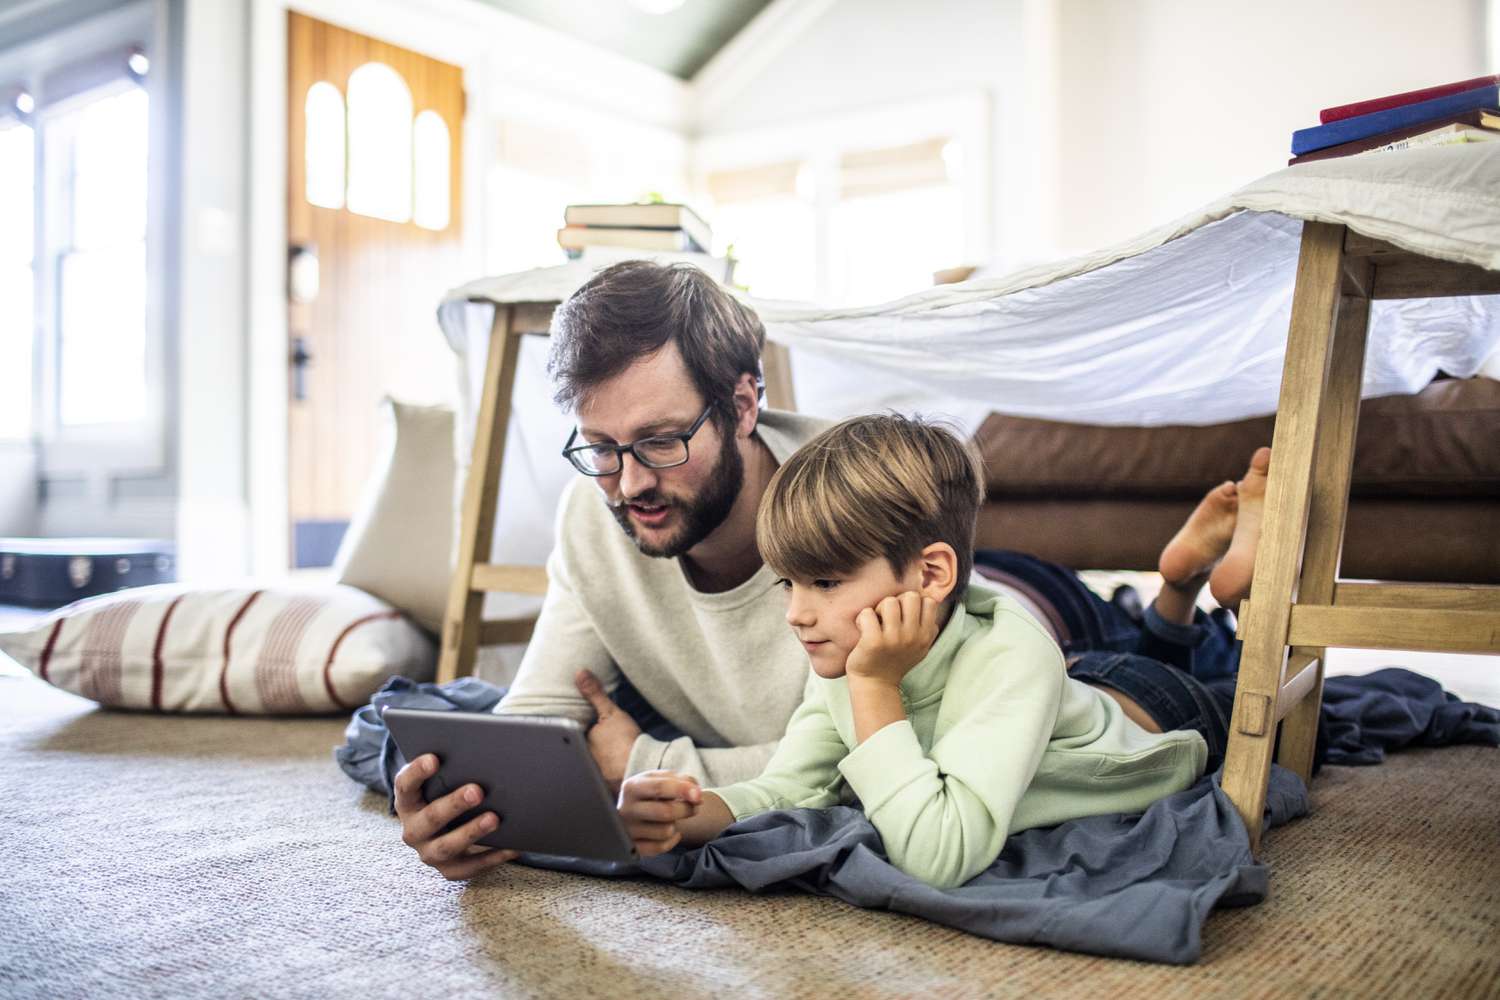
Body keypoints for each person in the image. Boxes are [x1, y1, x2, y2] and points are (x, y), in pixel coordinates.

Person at [392, 259, 1272, 882]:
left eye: (660, 441)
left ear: (744, 402)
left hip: (1000, 615)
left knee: (1134, 679)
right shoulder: (599, 511)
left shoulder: (852, 495)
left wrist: (649, 753)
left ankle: (1181, 600)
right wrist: (473, 808)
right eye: (602, 448)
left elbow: (869, 774)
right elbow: (548, 725)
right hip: (898, 684)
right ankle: (1179, 598)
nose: (629, 484)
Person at [614, 414, 1208, 888]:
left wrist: (875, 688)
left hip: (1154, 709)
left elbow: (938, 856)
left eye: (824, 583)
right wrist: (691, 813)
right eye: (787, 584)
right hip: (1066, 689)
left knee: (1273, 710)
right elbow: (785, 791)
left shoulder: (1004, 656)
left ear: (930, 574)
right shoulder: (847, 657)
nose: (796, 614)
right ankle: (1179, 592)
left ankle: (1183, 589)